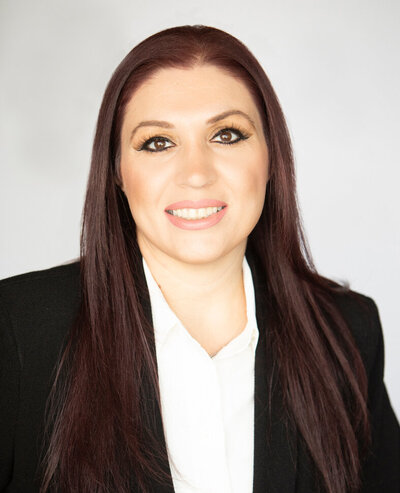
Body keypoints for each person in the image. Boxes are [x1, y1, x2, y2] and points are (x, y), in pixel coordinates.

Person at [0, 25, 398, 493]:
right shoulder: (18, 331)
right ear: (117, 174)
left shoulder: (346, 332)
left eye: (227, 135)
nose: (196, 175)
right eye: (158, 143)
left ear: (272, 159)